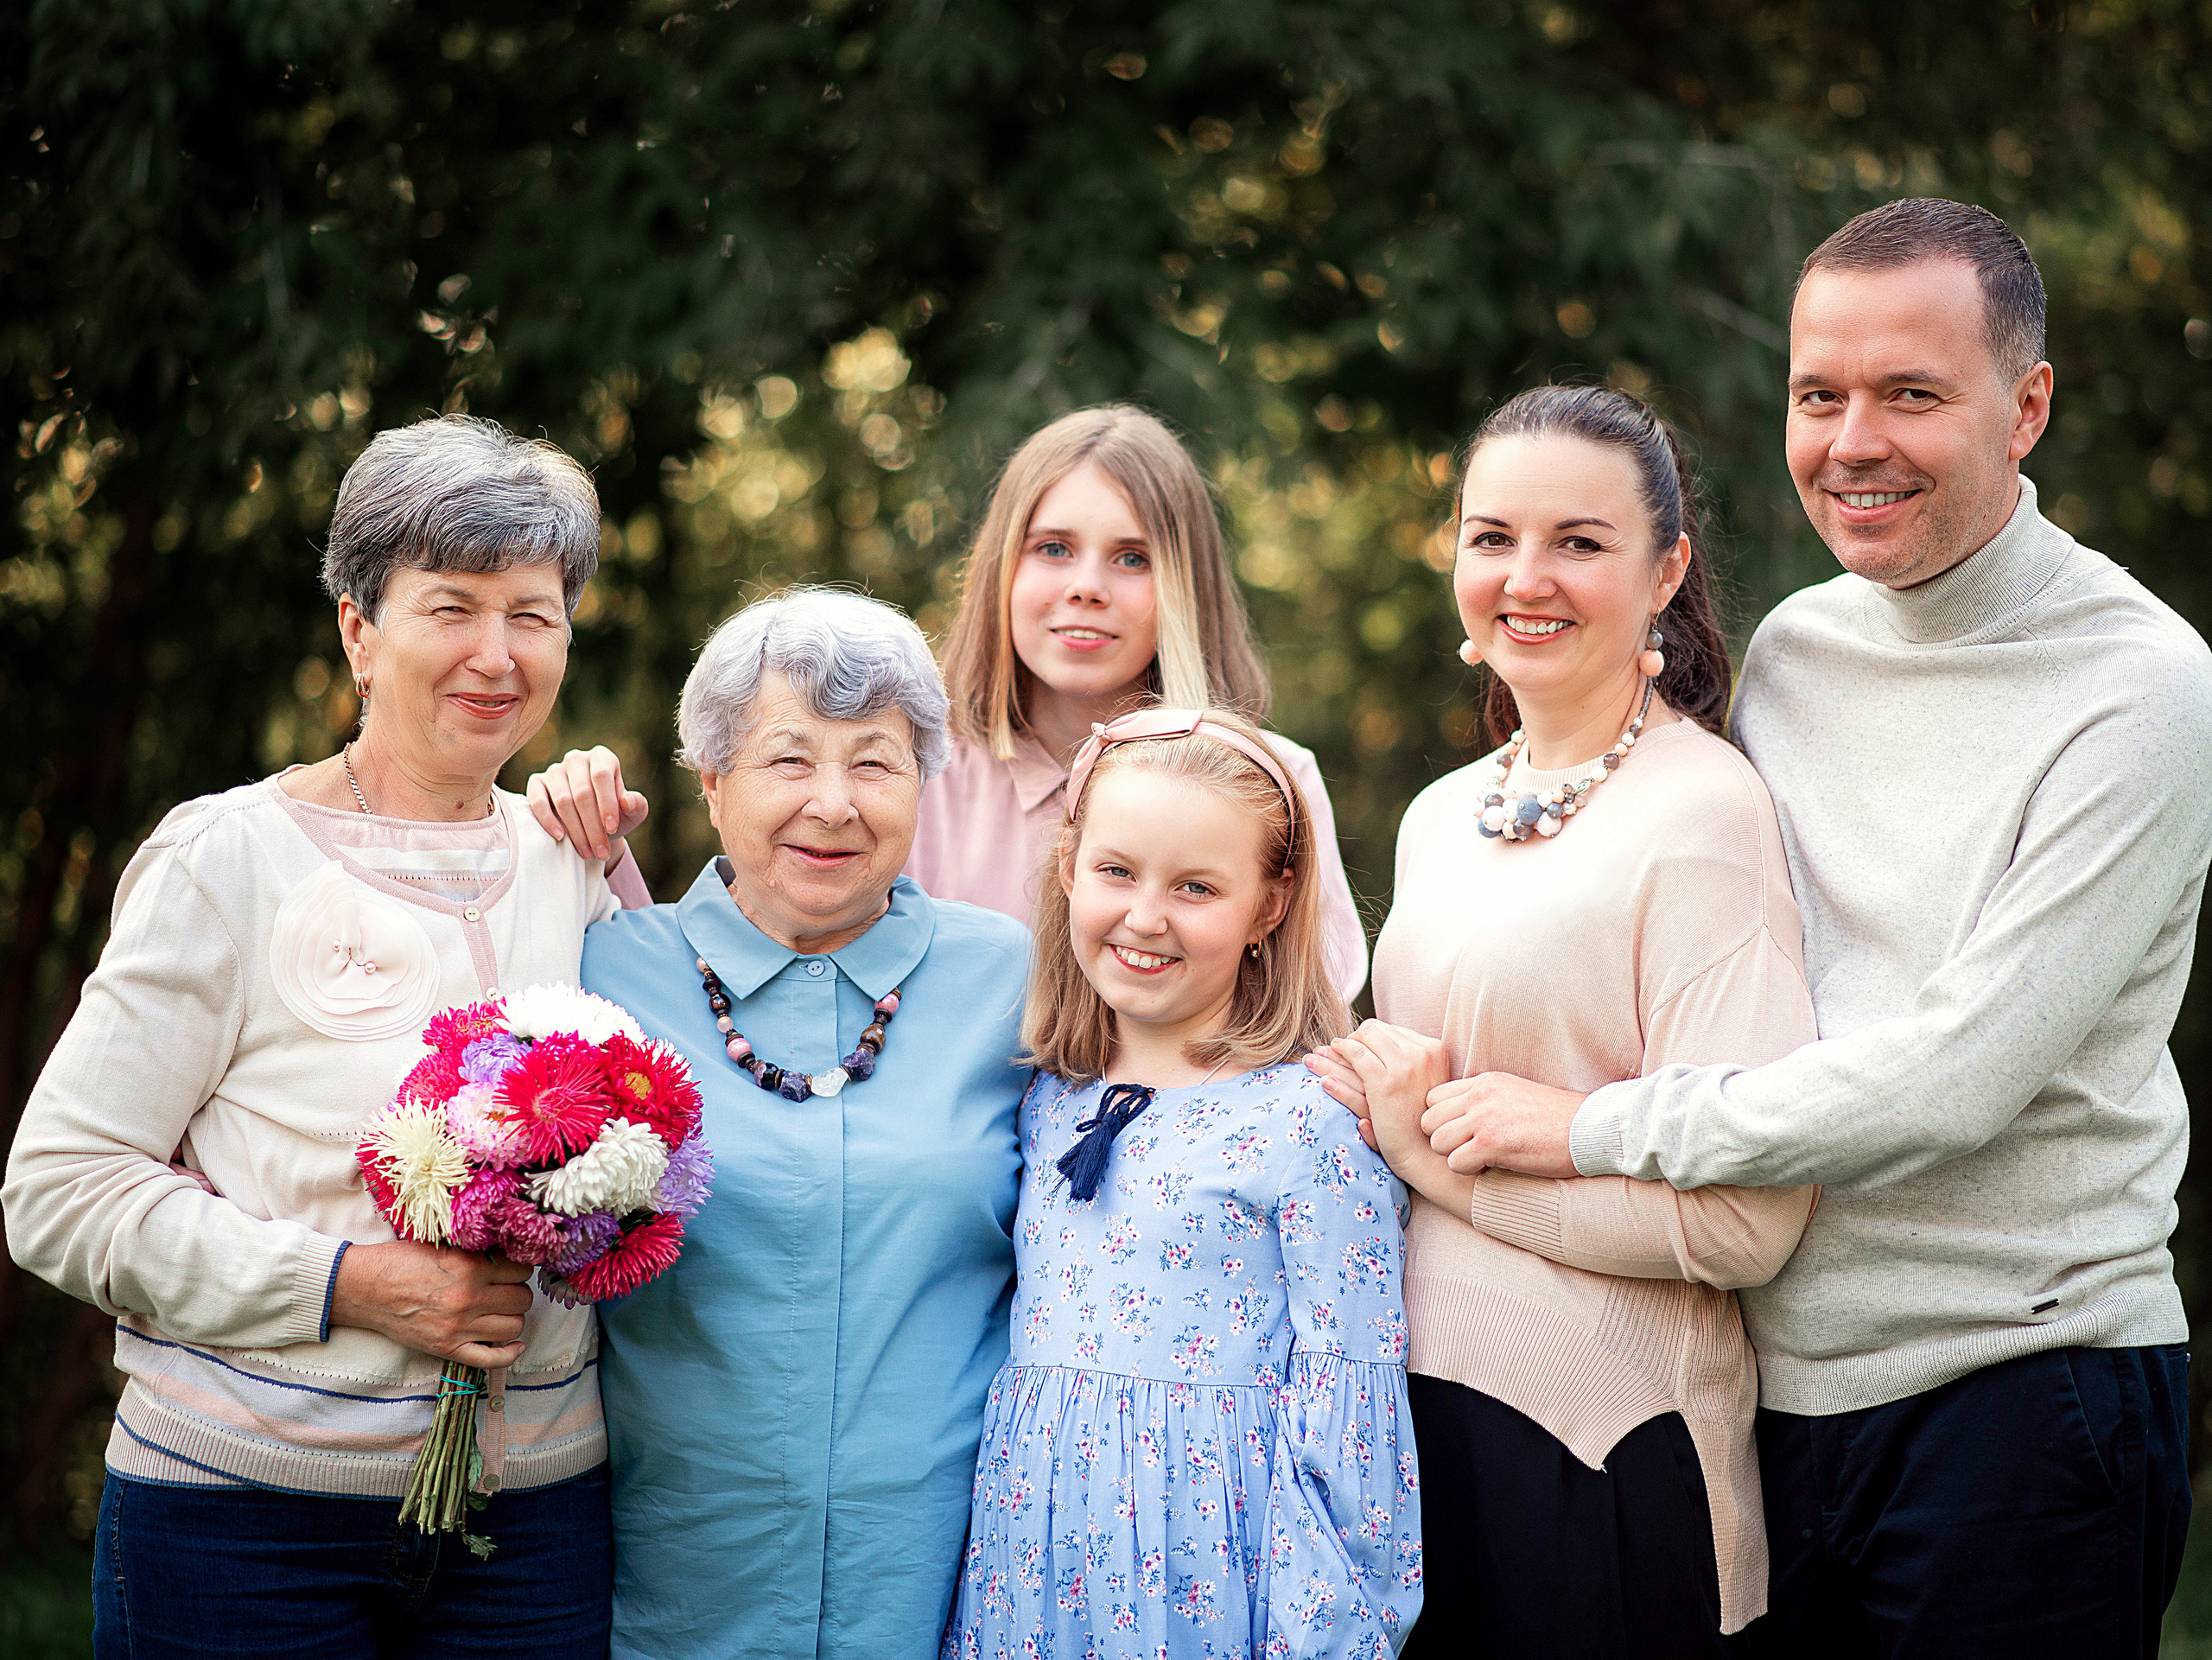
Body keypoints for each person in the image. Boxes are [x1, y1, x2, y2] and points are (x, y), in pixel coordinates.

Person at [1419, 200, 2212, 1657]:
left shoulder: (2144, 687)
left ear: (2025, 406)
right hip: (1776, 1396)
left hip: (2022, 1392)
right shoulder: (1792, 649)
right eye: (1817, 394)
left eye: (1912, 393)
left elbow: (1956, 1075)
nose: (1855, 439)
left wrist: (1586, 1127)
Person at [3, 415, 626, 1657]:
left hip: (538, 1535)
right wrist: (353, 1284)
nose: (496, 655)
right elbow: (60, 1192)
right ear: (357, 626)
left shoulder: (581, 867)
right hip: (245, 1533)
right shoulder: (226, 857)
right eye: (450, 608)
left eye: (533, 613)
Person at [1303, 385, 1820, 1656]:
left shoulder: (1705, 815)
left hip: (1603, 1449)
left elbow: (1749, 1220)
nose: (1526, 577)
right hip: (1413, 1434)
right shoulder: (1440, 813)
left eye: (1579, 542)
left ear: (1667, 570)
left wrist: (1441, 1165)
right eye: (1493, 537)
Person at [525, 406, 1370, 1000]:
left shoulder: (1269, 780)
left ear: (1184, 584)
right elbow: (756, 968)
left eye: (1131, 559)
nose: (1085, 588)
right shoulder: (908, 768)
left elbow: (1308, 1024)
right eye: (1053, 548)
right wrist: (602, 853)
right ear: (1004, 565)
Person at [576, 588, 1032, 1660]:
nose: (834, 802)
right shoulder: (601, 974)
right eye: (790, 759)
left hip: (942, 1578)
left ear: (923, 783)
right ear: (713, 777)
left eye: (874, 762)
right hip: (672, 1573)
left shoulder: (1013, 977)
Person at [946, 706, 1421, 1658]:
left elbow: (1351, 1417)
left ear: (1271, 904)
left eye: (1196, 886)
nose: (1145, 916)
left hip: (1208, 1569)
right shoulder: (1046, 1098)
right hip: (1030, 1557)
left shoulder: (1310, 1119)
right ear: (1068, 867)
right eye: (1116, 871)